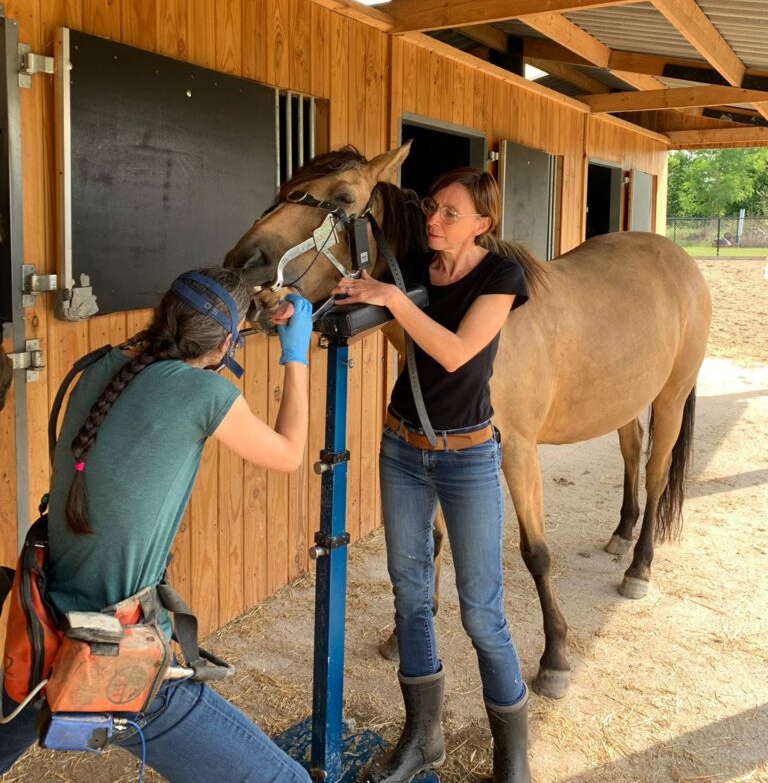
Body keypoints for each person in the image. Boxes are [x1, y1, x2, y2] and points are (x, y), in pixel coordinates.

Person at [1, 266, 313, 783]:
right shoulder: (203, 394)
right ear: (227, 345)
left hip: (42, 629)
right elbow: (288, 454)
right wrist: (295, 354)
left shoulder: (100, 364)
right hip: (113, 653)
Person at [332, 168, 532, 783]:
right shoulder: (416, 262)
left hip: (468, 458)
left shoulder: (502, 277)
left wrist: (392, 297)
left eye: (449, 213)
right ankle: (422, 738)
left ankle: (512, 759)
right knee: (411, 596)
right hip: (402, 450)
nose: (434, 221)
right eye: (431, 209)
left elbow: (452, 351)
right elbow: (357, 288)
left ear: (483, 225)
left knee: (481, 611)